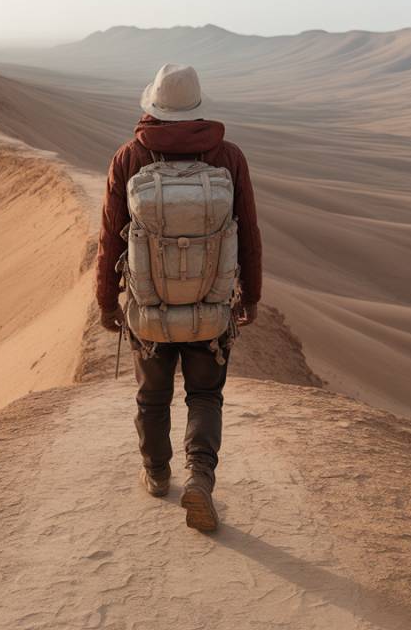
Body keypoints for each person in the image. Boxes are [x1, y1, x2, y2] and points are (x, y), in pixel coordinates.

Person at [96, 63, 262, 531]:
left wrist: (107, 302)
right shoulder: (228, 157)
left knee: (153, 397)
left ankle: (156, 471)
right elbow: (248, 231)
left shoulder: (129, 157)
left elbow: (110, 237)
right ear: (197, 107)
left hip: (149, 310)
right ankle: (200, 477)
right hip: (211, 308)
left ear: (153, 106)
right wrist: (250, 296)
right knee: (205, 394)